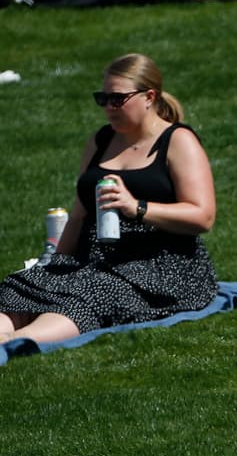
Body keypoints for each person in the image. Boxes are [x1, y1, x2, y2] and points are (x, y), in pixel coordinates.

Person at [0, 53, 217, 344]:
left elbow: (202, 216)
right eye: (102, 99)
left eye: (117, 99)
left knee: (90, 294)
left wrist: (137, 208)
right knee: (19, 287)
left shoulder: (178, 141)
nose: (109, 108)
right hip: (97, 258)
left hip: (159, 266)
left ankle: (16, 340)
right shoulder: (100, 141)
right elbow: (79, 213)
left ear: (149, 96)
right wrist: (52, 265)